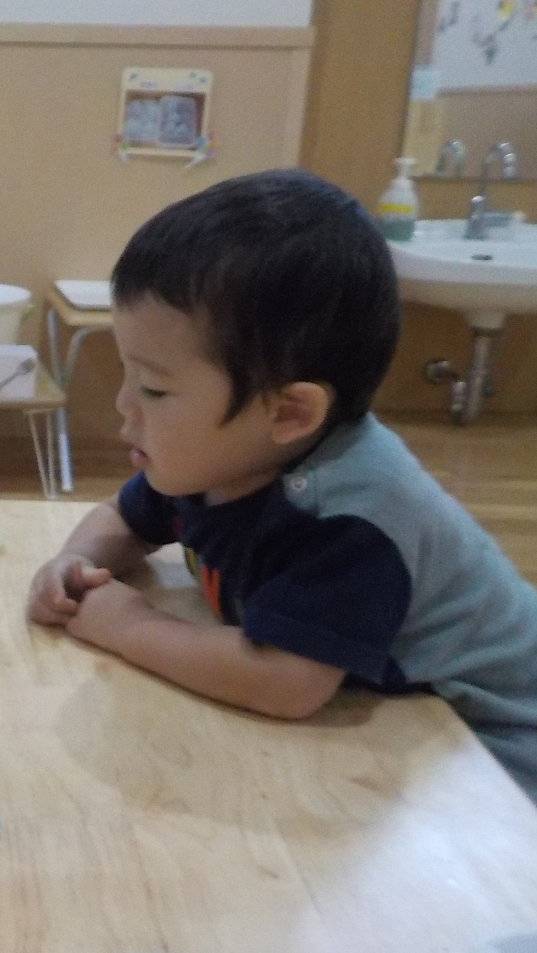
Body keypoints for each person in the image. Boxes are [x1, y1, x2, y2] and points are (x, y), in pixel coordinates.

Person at [28, 169, 537, 802]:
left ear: (290, 413)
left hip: (494, 749)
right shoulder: (218, 459)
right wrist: (76, 560)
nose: (123, 404)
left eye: (154, 388)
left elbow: (287, 682)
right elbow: (126, 517)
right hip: (400, 718)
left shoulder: (350, 518)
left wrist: (128, 625)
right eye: (128, 373)